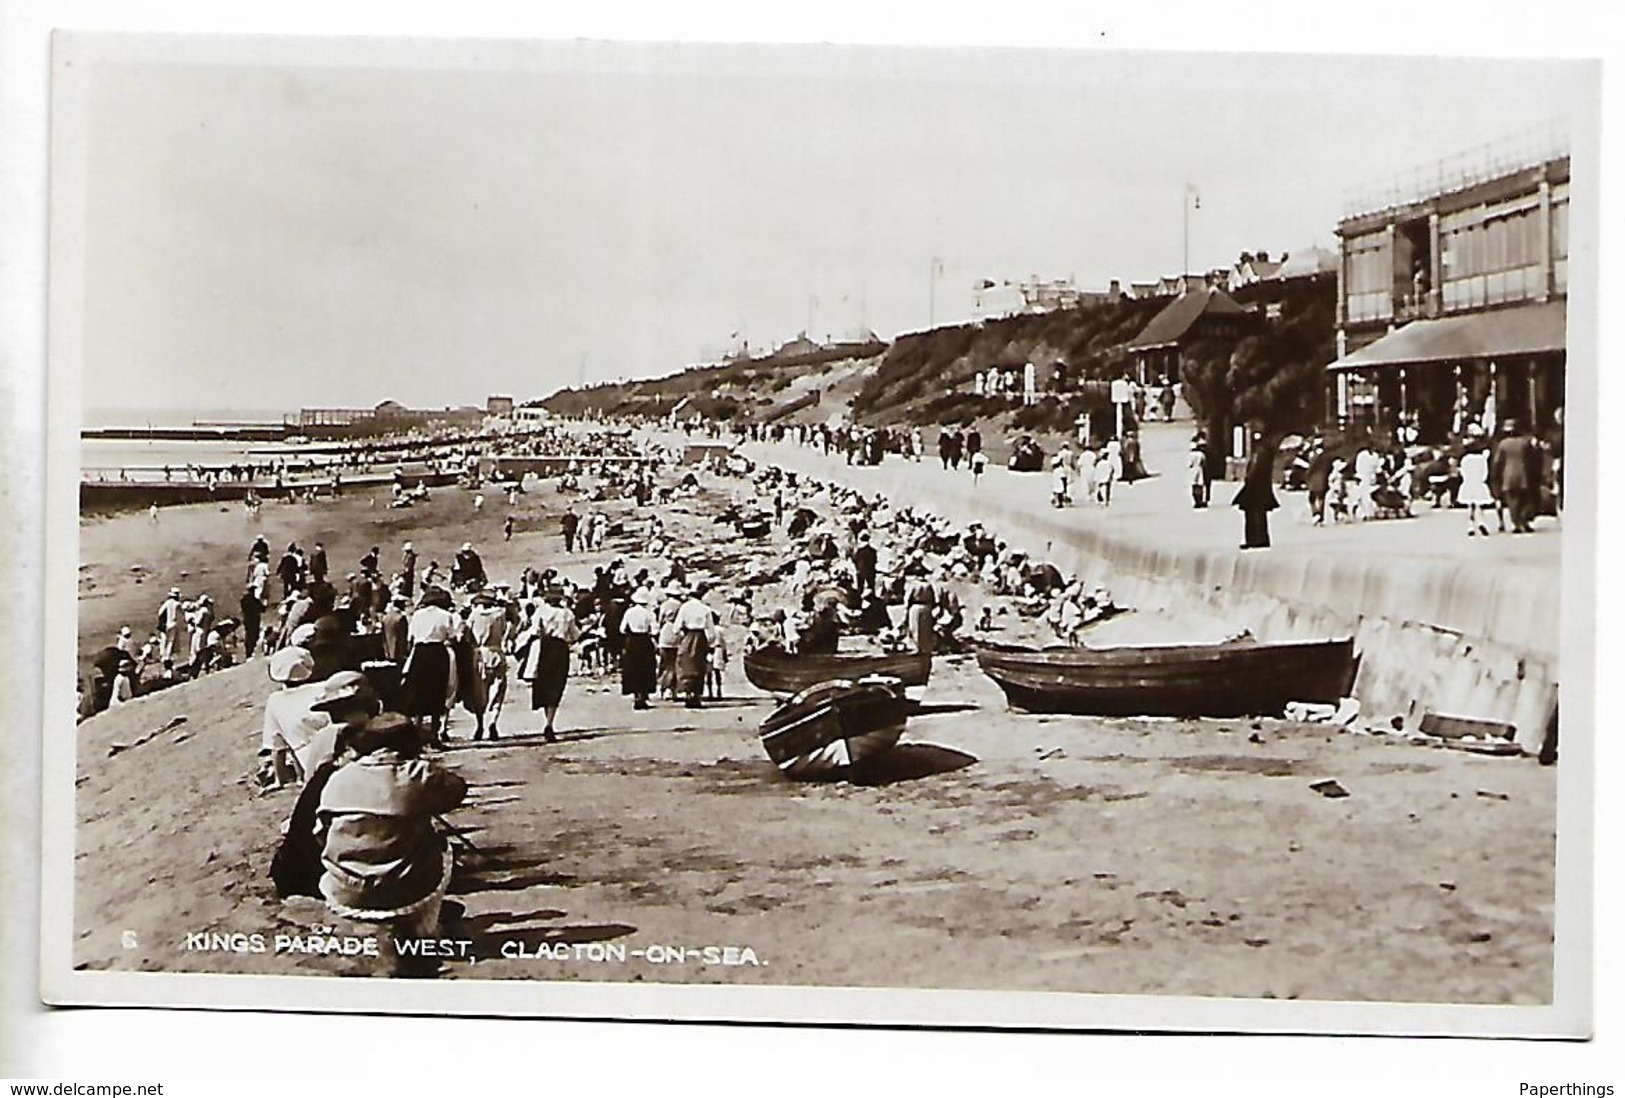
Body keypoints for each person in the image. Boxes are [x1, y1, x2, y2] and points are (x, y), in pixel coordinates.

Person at [314, 712, 467, 970]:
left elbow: (320, 835)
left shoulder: (339, 778)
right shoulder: (420, 774)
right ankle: (425, 931)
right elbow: (457, 791)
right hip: (406, 890)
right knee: (445, 849)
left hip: (345, 891)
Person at [399, 587, 461, 745]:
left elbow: (410, 639)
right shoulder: (446, 616)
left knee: (418, 692)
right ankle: (434, 735)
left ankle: (417, 733)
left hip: (420, 652)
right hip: (437, 653)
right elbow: (452, 637)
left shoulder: (417, 615)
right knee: (437, 692)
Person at [518, 587, 580, 741]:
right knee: (556, 685)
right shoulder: (567, 613)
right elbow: (574, 635)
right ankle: (549, 723)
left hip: (544, 648)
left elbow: (534, 631)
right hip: (560, 649)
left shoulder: (541, 611)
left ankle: (547, 721)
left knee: (543, 684)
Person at [260, 646, 327, 790]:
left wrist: (280, 780)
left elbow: (278, 747)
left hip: (309, 762)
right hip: (337, 748)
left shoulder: (275, 701)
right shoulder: (324, 689)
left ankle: (300, 777)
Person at [463, 590, 509, 740]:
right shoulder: (499, 614)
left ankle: (480, 724)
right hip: (496, 652)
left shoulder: (474, 616)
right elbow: (503, 631)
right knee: (497, 691)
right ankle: (493, 721)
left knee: (479, 693)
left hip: (479, 655)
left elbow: (467, 634)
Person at [1491, 419, 1542, 534]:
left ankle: (1516, 523)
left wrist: (1495, 476)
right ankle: (1523, 521)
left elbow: (1497, 462)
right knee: (1524, 500)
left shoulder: (1503, 444)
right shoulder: (1524, 443)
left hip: (1508, 475)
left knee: (1512, 501)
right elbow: (1533, 458)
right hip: (1524, 474)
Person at [1234, 435, 1279, 549]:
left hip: (1255, 489)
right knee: (1258, 514)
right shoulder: (1263, 452)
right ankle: (1259, 539)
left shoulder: (1260, 453)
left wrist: (1249, 480)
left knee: (1254, 515)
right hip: (1259, 489)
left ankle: (1255, 539)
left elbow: (1254, 472)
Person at [674, 584, 715, 709]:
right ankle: (696, 695)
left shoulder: (684, 607)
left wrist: (683, 636)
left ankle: (687, 694)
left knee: (686, 665)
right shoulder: (705, 609)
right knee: (698, 666)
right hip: (700, 637)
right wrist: (709, 643)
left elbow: (676, 628)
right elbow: (711, 631)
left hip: (688, 636)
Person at [618, 587, 658, 711]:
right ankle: (643, 695)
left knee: (633, 667)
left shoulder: (629, 612)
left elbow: (622, 629)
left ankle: (636, 695)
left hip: (632, 641)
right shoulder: (649, 613)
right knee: (646, 668)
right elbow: (655, 629)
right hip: (645, 640)